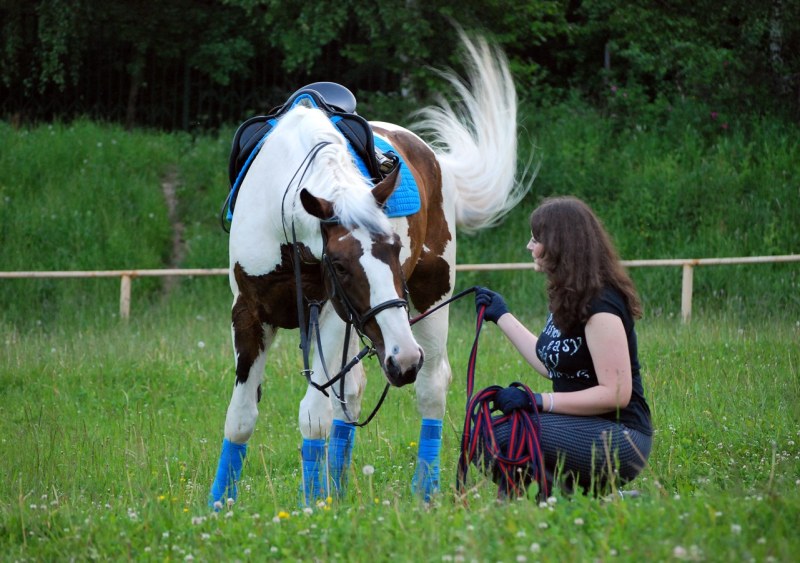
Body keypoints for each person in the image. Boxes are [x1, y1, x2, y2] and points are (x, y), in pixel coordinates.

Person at [474, 195, 653, 498]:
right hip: (581, 427)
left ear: (559, 245)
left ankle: (556, 506)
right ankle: (571, 503)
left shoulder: (601, 306)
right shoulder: (570, 296)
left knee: (503, 435)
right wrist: (501, 315)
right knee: (481, 433)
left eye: (536, 239)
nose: (530, 246)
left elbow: (617, 393)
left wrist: (538, 401)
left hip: (622, 437)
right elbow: (551, 362)